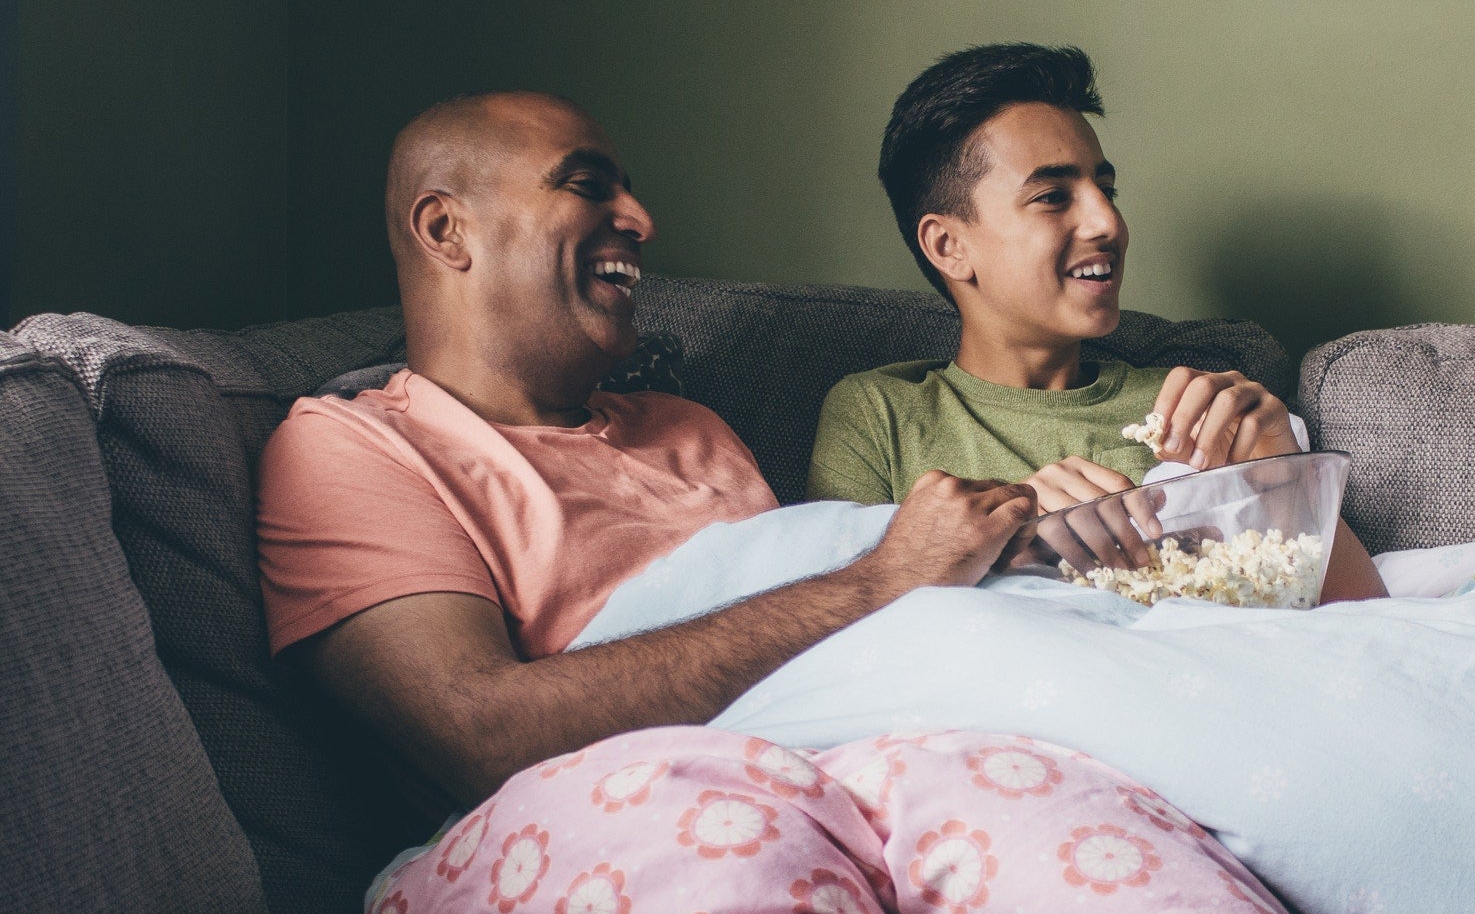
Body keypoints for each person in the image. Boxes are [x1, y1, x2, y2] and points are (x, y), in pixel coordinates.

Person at [256, 91, 1037, 808]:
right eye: (587, 186)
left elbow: (812, 671)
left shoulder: (687, 427)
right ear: (445, 230)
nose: (639, 219)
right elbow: (477, 738)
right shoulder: (352, 448)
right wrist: (883, 578)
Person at [807, 43, 1384, 601]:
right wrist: (1020, 543)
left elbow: (1363, 624)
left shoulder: (1191, 412)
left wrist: (1283, 471)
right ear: (948, 245)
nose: (1108, 221)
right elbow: (834, 620)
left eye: (1106, 190)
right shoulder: (879, 414)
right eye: (1054, 196)